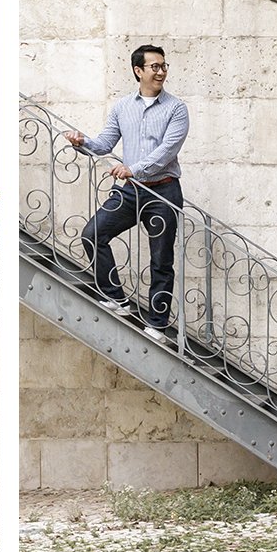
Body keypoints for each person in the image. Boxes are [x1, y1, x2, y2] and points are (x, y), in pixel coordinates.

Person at [64, 44, 189, 341]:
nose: (161, 72)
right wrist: (82, 142)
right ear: (138, 71)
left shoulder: (176, 108)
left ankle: (157, 325)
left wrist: (134, 169)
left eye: (163, 66)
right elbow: (104, 144)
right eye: (154, 67)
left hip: (164, 193)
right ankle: (116, 298)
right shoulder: (122, 107)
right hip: (131, 191)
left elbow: (167, 151)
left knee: (161, 260)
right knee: (93, 233)